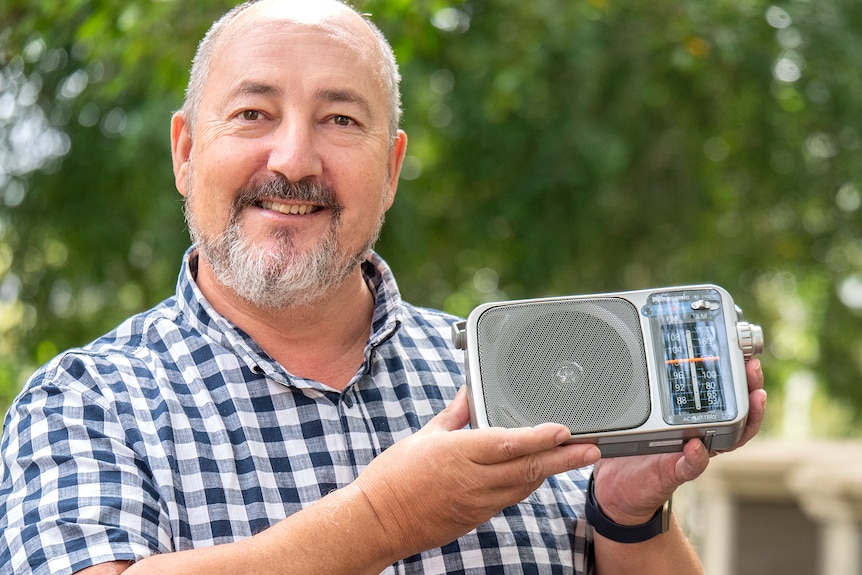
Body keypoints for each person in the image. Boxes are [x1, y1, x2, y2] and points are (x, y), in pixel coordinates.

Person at [0, 0, 767, 573]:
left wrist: (628, 516)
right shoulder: (84, 400)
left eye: (339, 119)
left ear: (392, 168)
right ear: (186, 152)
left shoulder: (509, 376)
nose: (295, 158)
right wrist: (384, 517)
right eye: (252, 113)